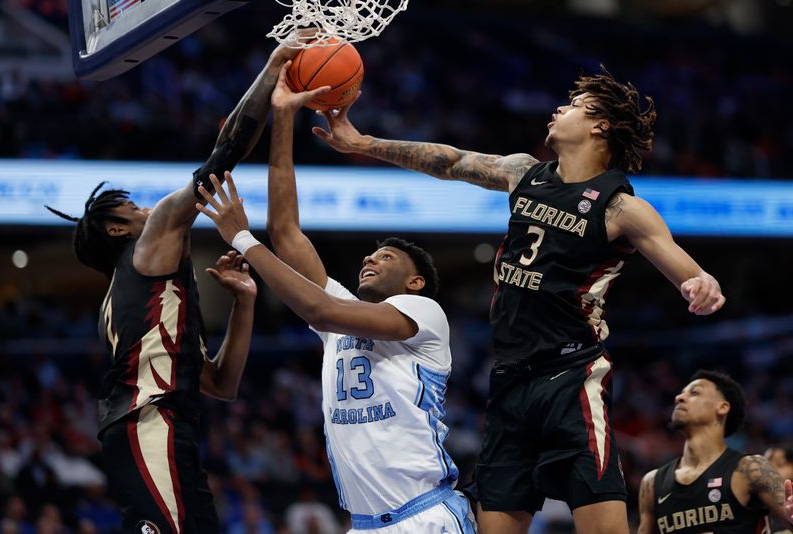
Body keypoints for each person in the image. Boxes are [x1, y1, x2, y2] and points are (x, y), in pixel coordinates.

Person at [310, 66, 726, 533]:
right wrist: (362, 142)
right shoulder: (523, 172)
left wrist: (700, 281)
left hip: (572, 378)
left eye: (573, 105)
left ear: (599, 125)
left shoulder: (620, 207)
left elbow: (683, 265)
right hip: (509, 380)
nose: (559, 109)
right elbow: (448, 161)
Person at [193, 61, 477, 533]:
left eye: (386, 258)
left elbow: (317, 307)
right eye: (371, 254)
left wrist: (242, 239)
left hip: (425, 515)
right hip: (363, 522)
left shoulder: (423, 313)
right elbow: (285, 232)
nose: (371, 259)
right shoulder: (343, 319)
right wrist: (283, 117)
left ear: (415, 282)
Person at [44, 44, 301, 532]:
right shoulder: (150, 243)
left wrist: (244, 304)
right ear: (119, 231)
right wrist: (270, 70)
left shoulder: (143, 309)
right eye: (132, 209)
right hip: (149, 427)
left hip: (165, 428)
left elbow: (221, 385)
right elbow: (223, 156)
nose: (147, 209)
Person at [638, 370, 793, 533]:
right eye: (681, 393)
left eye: (694, 392)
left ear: (723, 407)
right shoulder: (651, 483)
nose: (679, 398)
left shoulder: (751, 469)